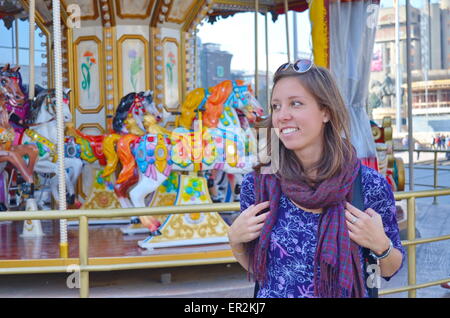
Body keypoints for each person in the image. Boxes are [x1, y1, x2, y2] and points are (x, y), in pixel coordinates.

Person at [228, 60, 405, 298]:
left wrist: (380, 244)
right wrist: (235, 241)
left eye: (296, 104)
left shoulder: (367, 185)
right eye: (276, 106)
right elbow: (260, 270)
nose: (282, 116)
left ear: (326, 111)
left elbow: (391, 268)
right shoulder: (261, 184)